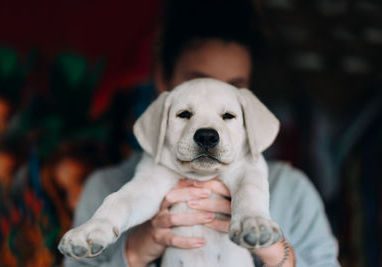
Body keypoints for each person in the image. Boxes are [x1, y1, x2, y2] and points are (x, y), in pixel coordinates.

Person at [64, 1, 340, 266]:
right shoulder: (105, 185)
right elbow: (139, 194)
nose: (208, 130)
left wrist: (280, 256)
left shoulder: (290, 188)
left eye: (229, 105)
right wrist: (131, 253)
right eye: (195, 89)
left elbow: (250, 185)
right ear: (163, 78)